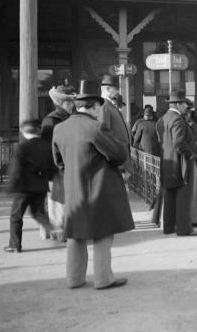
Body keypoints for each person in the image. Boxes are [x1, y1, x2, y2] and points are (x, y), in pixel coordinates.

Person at [52, 80, 135, 290]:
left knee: (75, 235)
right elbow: (118, 155)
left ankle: (74, 279)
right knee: (103, 233)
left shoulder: (59, 129)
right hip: (99, 188)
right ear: (96, 106)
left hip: (73, 189)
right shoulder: (96, 127)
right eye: (100, 108)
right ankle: (103, 279)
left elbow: (59, 162)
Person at [4, 119, 57, 252]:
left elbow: (16, 170)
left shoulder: (22, 147)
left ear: (23, 131)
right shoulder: (46, 146)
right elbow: (52, 168)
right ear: (38, 131)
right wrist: (47, 179)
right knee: (38, 212)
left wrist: (11, 187)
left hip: (24, 188)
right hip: (41, 186)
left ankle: (15, 245)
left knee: (16, 216)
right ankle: (54, 229)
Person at [156, 91, 197, 237]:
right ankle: (184, 229)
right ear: (177, 104)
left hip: (167, 163)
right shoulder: (178, 119)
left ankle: (168, 227)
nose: (186, 107)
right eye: (184, 104)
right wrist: (191, 154)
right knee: (183, 197)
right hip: (180, 163)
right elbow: (179, 143)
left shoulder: (163, 119)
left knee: (169, 195)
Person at [41, 85, 75, 240]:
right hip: (55, 167)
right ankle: (58, 233)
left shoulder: (69, 118)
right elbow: (47, 148)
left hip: (67, 165)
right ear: (60, 103)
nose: (71, 105)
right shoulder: (51, 121)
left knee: (64, 201)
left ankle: (64, 231)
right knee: (57, 202)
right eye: (68, 102)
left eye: (71, 102)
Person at [98, 75, 131, 173]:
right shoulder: (104, 107)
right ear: (107, 89)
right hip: (116, 165)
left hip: (120, 162)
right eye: (116, 89)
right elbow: (105, 138)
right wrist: (119, 165)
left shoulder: (109, 106)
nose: (118, 92)